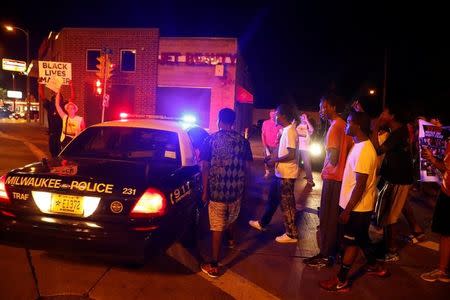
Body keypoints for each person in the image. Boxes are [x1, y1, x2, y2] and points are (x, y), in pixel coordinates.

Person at [319, 110, 389, 292]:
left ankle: (341, 280)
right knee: (360, 239)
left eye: (349, 122)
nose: (346, 125)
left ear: (357, 126)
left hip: (358, 208)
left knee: (352, 243)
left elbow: (360, 185)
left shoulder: (365, 150)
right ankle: (375, 265)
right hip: (354, 206)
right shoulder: (358, 145)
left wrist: (347, 210)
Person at [199, 108, 253, 278]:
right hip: (236, 190)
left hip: (217, 191)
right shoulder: (243, 142)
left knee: (216, 225)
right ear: (233, 121)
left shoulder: (210, 140)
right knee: (231, 217)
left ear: (218, 120)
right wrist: (245, 189)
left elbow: (205, 167)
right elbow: (248, 168)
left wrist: (205, 191)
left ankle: (214, 264)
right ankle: (230, 240)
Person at [304, 94, 353, 267]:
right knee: (335, 219)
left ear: (332, 107)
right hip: (341, 179)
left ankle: (326, 254)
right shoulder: (344, 125)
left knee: (327, 218)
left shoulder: (335, 127)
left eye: (322, 107)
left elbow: (333, 158)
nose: (321, 111)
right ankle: (335, 252)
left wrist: (328, 158)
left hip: (333, 178)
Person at [249, 104, 299, 243]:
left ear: (282, 116)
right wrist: (271, 158)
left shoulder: (290, 131)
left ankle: (292, 234)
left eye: (276, 114)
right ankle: (263, 223)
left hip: (286, 175)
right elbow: (282, 151)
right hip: (280, 174)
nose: (274, 117)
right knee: (272, 200)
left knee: (287, 205)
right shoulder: (285, 130)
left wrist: (274, 160)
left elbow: (291, 154)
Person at [371, 103, 414, 262]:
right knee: (387, 214)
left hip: (399, 179)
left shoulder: (398, 133)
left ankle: (392, 250)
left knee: (390, 216)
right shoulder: (397, 131)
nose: (382, 114)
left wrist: (375, 128)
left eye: (385, 111)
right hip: (394, 177)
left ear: (393, 116)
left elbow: (377, 150)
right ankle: (387, 247)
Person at [420, 140, 450, 283]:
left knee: (446, 233)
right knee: (446, 233)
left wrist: (432, 158)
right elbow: (446, 167)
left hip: (448, 193)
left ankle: (442, 270)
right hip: (446, 190)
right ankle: (443, 269)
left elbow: (446, 166)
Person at [39, 84, 67, 157]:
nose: (56, 98)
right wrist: (40, 84)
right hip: (52, 134)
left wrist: (71, 85)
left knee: (61, 153)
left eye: (58, 96)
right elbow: (42, 95)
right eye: (54, 97)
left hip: (62, 134)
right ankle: (54, 166)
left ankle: (60, 166)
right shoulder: (50, 105)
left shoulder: (64, 106)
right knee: (53, 152)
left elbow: (73, 98)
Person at [55, 81, 85, 149]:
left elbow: (84, 132)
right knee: (64, 158)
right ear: (67, 110)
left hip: (75, 142)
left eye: (72, 108)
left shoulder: (80, 119)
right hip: (64, 141)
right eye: (69, 108)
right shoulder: (64, 117)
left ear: (75, 109)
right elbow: (57, 105)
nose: (71, 109)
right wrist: (58, 91)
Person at [261, 109, 283, 178]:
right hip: (267, 145)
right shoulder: (265, 123)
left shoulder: (279, 124)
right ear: (269, 114)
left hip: (276, 146)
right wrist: (265, 145)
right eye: (271, 114)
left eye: (274, 114)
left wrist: (279, 142)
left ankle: (276, 172)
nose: (273, 115)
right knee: (266, 159)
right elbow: (263, 134)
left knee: (276, 160)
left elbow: (281, 134)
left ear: (276, 115)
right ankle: (267, 172)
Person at [296, 112, 315, 186]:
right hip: (297, 147)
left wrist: (306, 120)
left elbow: (312, 130)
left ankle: (310, 180)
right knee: (296, 163)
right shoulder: (298, 125)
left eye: (304, 117)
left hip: (305, 148)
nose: (302, 118)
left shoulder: (307, 126)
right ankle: (293, 177)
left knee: (307, 164)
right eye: (301, 117)